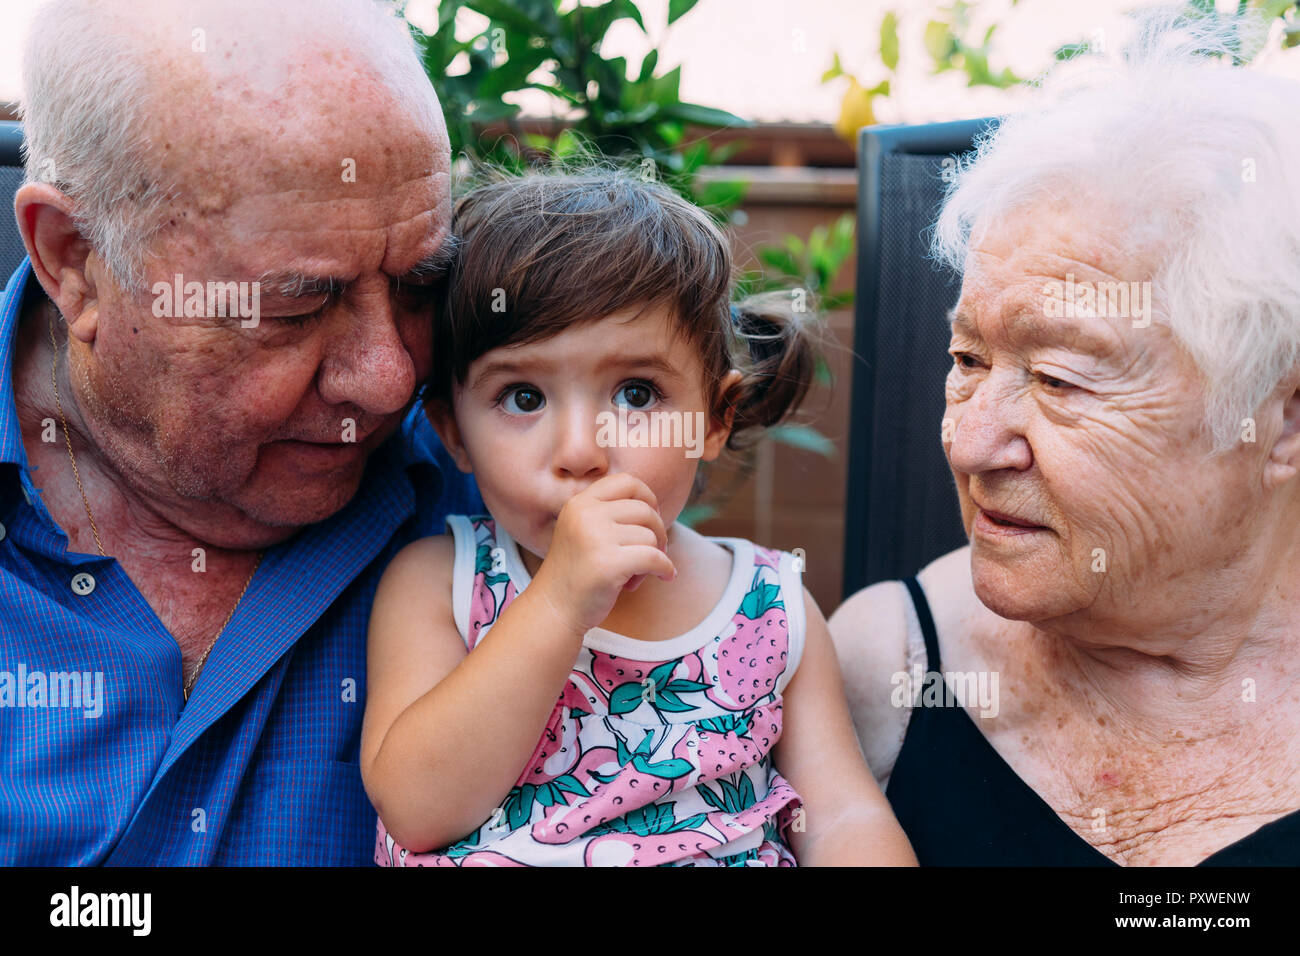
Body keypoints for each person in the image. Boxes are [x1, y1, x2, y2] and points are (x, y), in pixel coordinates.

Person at [0, 0, 481, 864]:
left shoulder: (498, 478)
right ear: (73, 259)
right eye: (297, 304)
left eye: (419, 286)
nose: (391, 378)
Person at [829, 11, 1300, 866]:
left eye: (1060, 380)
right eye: (967, 358)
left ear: (1284, 418)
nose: (970, 446)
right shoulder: (883, 671)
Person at [360, 169, 917, 866]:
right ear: (454, 434)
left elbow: (841, 815)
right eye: (524, 397)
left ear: (716, 419)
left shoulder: (769, 608)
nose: (581, 451)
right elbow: (417, 808)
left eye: (636, 392)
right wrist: (559, 603)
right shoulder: (441, 583)